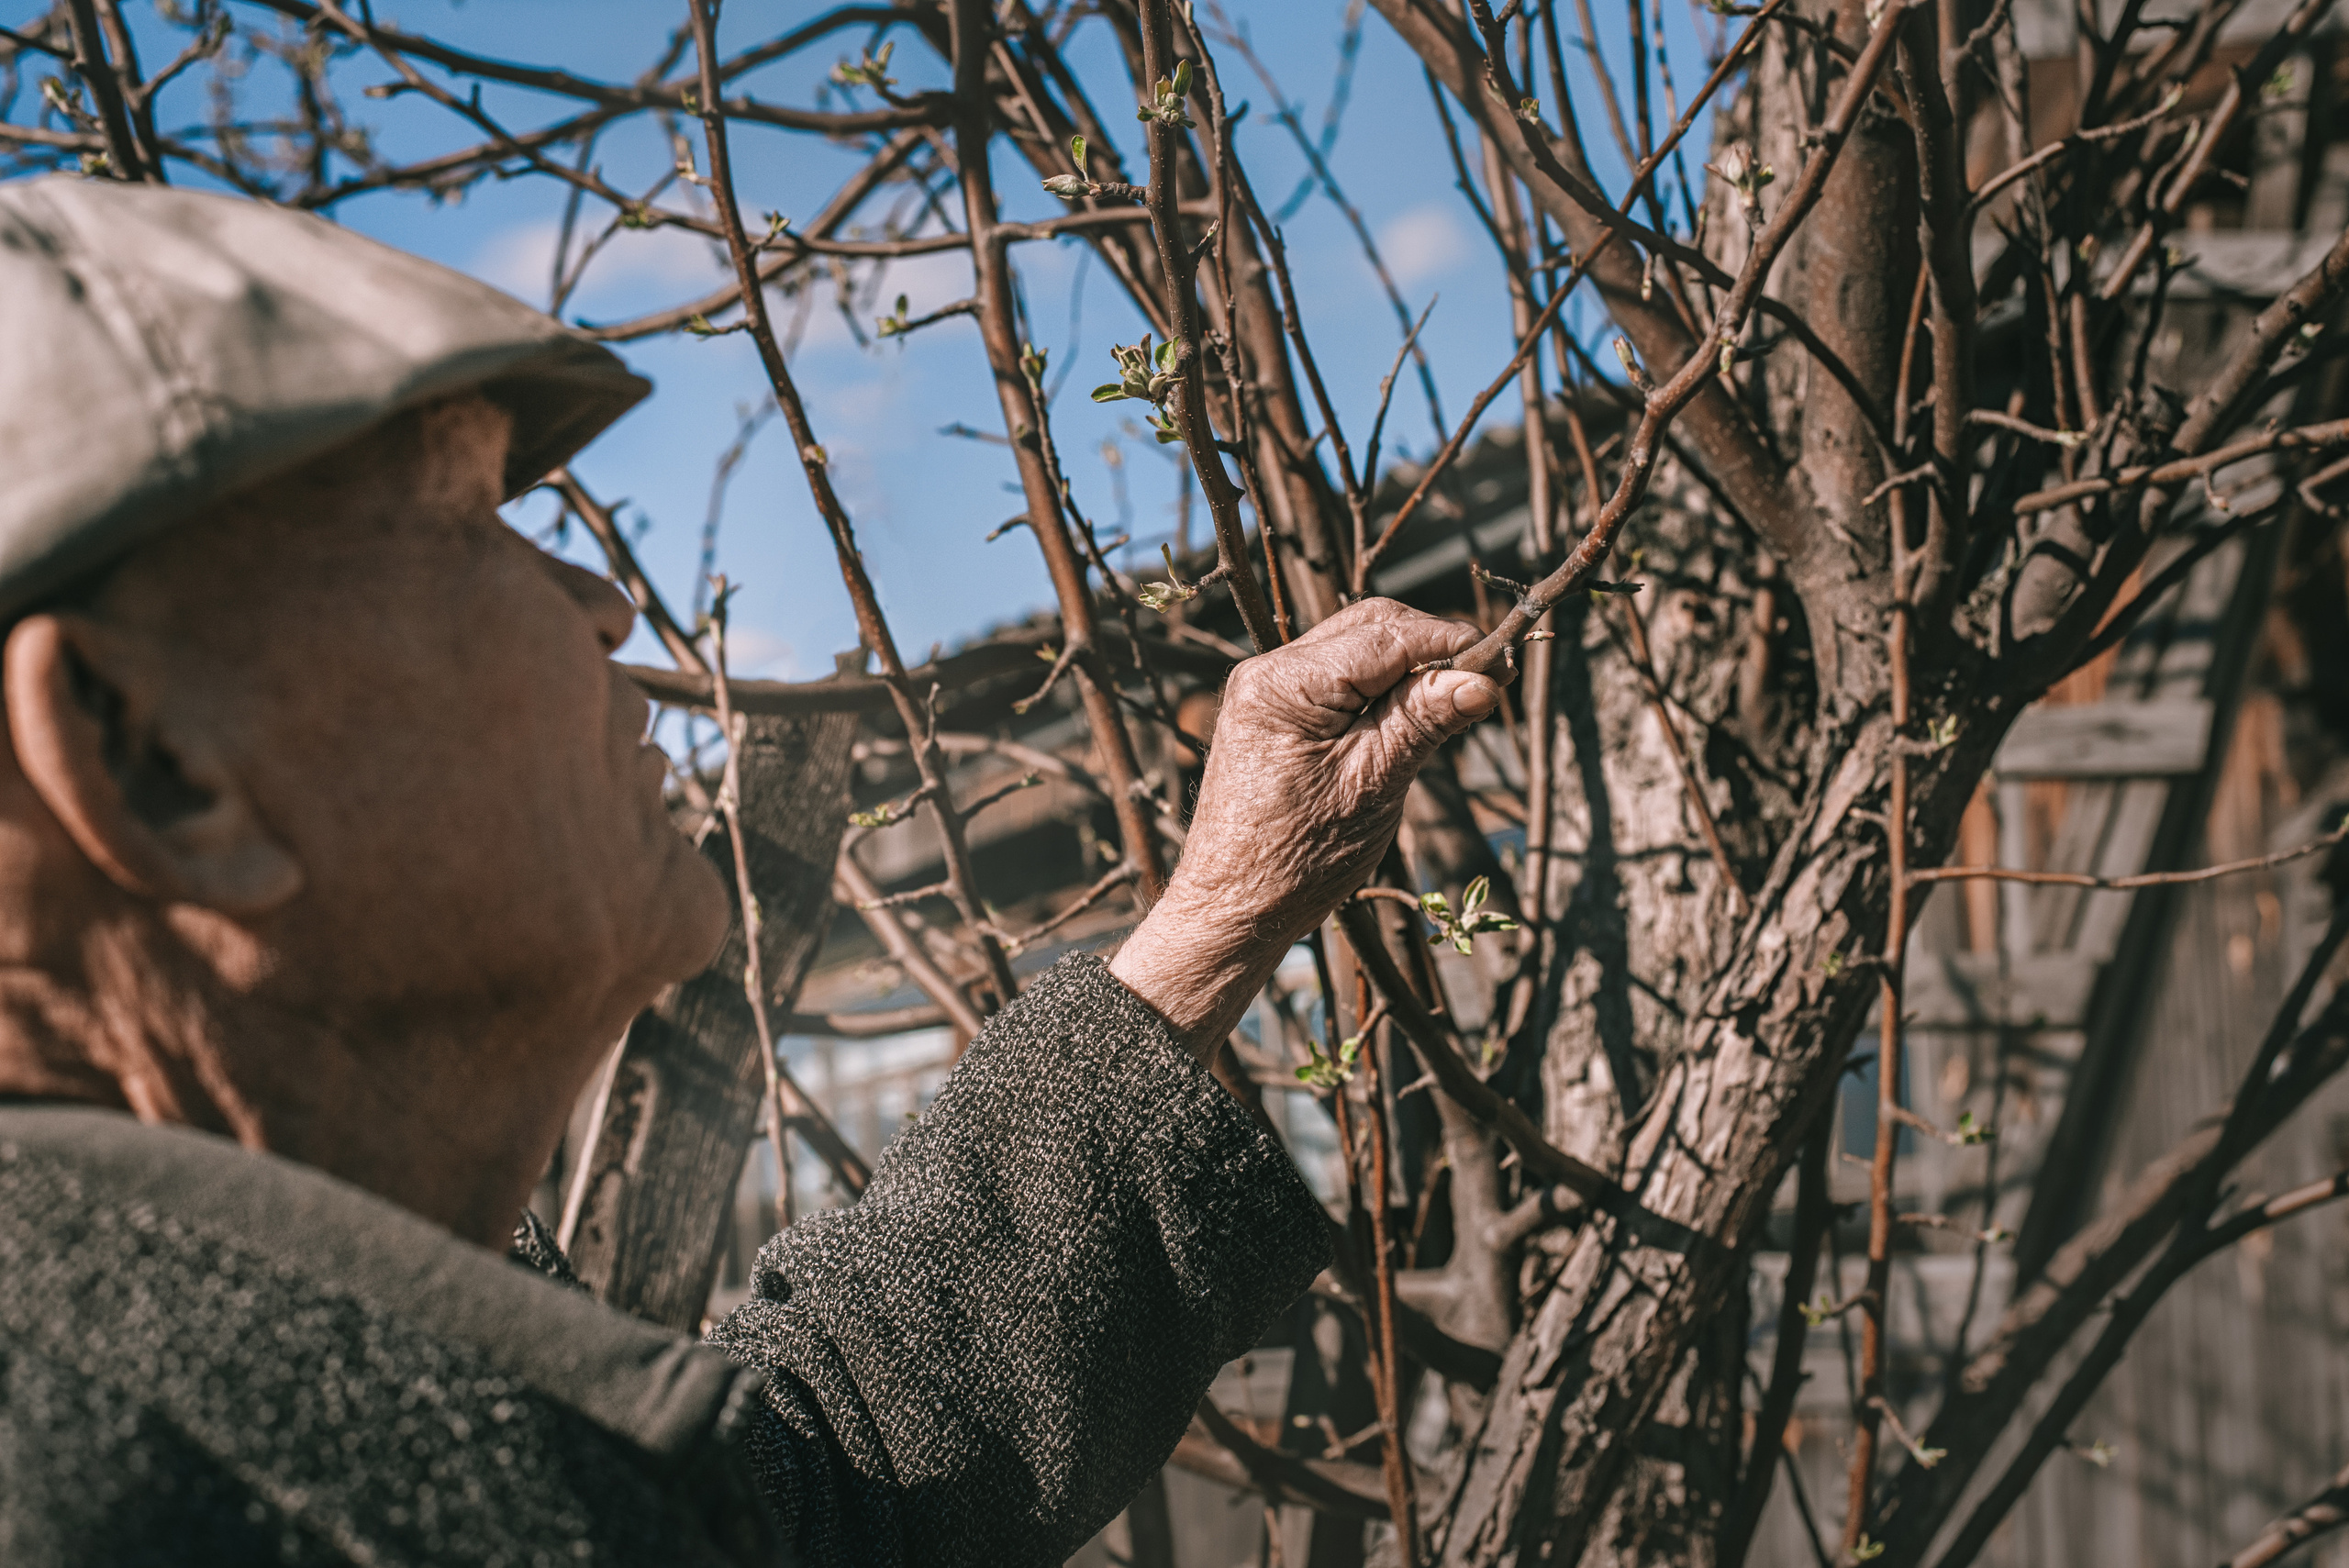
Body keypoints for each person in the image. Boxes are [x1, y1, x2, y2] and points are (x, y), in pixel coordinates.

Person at [0, 175, 1502, 1567]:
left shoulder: (271, 1407)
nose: (599, 602)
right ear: (149, 756)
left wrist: (1217, 914)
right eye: (468, 521)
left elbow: (800, 1502)